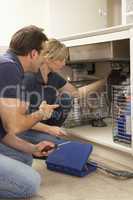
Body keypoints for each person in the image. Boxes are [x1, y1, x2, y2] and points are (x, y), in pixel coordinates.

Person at [0, 26, 60, 198]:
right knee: (30, 183)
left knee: (26, 158)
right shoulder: (8, 69)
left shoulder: (8, 65)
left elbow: (2, 132)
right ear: (33, 54)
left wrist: (32, 148)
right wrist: (40, 113)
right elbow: (14, 126)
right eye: (43, 54)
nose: (44, 59)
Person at [20, 39, 105, 145]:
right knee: (63, 146)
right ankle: (50, 138)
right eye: (60, 60)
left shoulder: (53, 77)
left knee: (66, 98)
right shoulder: (29, 78)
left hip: (43, 124)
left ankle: (51, 135)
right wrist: (49, 129)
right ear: (48, 58)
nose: (64, 64)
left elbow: (76, 93)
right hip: (26, 129)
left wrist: (103, 81)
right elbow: (19, 119)